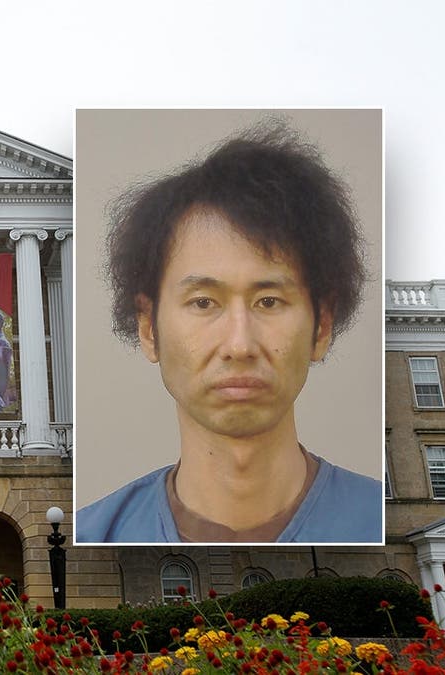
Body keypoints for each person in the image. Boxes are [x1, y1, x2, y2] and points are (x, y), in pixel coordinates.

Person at [75, 121, 382, 544]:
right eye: (204, 302)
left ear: (321, 324)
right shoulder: (93, 532)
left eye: (268, 302)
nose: (239, 345)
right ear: (148, 327)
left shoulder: (376, 519)